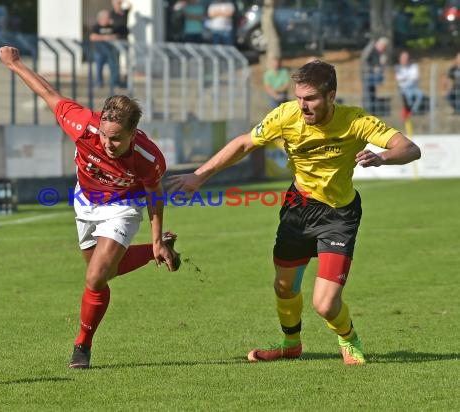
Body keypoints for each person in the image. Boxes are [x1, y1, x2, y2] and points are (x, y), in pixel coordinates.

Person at [167, 60, 421, 366]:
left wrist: (382, 158)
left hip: (339, 215)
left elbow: (409, 148)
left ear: (331, 95)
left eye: (311, 98)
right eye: (299, 98)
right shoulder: (286, 115)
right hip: (298, 209)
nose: (303, 106)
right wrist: (200, 176)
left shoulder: (356, 121)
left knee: (325, 305)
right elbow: (245, 143)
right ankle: (290, 344)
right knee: (284, 286)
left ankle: (348, 337)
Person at [0, 45, 182, 369]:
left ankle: (81, 346)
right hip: (85, 200)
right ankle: (160, 249)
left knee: (95, 278)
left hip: (123, 206)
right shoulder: (83, 125)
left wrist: (153, 234)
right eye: (106, 137)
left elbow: (155, 195)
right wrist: (15, 64)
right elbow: (49, 94)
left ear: (133, 133)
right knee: (104, 272)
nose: (109, 145)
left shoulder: (149, 158)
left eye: (117, 139)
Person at [89, 9, 127, 89]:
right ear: (102, 18)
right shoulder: (96, 27)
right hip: (99, 51)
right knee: (99, 68)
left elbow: (116, 36)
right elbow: (93, 37)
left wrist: (104, 37)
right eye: (108, 17)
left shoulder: (112, 27)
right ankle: (99, 84)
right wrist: (106, 37)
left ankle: (114, 84)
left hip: (110, 51)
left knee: (114, 67)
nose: (110, 19)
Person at [361, 37, 388, 114]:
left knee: (372, 94)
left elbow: (379, 64)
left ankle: (371, 112)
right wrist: (373, 68)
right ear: (380, 45)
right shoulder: (371, 49)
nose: (384, 49)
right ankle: (367, 113)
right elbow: (364, 60)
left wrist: (382, 64)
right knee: (368, 95)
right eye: (384, 47)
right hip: (367, 75)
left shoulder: (379, 52)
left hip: (372, 76)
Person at [395, 50, 424, 119]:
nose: (405, 60)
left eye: (406, 58)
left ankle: (413, 111)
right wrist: (409, 77)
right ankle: (408, 110)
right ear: (400, 59)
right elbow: (399, 78)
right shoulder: (398, 67)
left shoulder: (414, 66)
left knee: (420, 94)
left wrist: (405, 78)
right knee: (409, 96)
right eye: (403, 58)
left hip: (413, 87)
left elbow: (415, 77)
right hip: (403, 87)